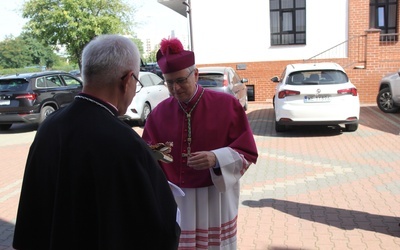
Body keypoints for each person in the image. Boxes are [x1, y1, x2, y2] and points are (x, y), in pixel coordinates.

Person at [13, 34, 180, 250]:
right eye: (136, 82)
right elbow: (157, 227)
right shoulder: (125, 143)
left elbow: (32, 211)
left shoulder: (49, 127)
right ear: (127, 80)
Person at [142, 37, 258, 249]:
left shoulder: (227, 105)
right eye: (169, 82)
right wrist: (157, 154)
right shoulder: (158, 113)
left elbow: (247, 153)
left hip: (215, 197)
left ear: (195, 75)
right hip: (179, 202)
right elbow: (147, 155)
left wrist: (217, 158)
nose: (175, 88)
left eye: (180, 80)